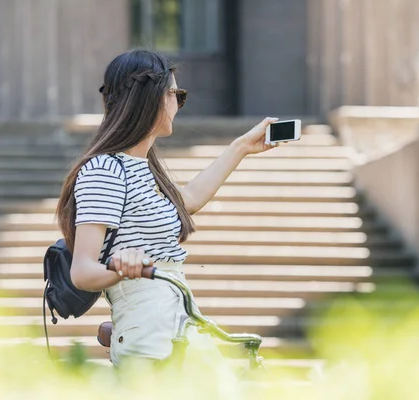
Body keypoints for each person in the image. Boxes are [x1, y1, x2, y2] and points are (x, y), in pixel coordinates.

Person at [56, 49, 279, 369]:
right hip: (148, 341)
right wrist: (122, 268)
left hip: (173, 329)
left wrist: (241, 147)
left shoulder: (140, 167)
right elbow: (82, 271)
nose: (179, 104)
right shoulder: (105, 170)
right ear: (154, 99)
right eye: (177, 94)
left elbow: (187, 201)